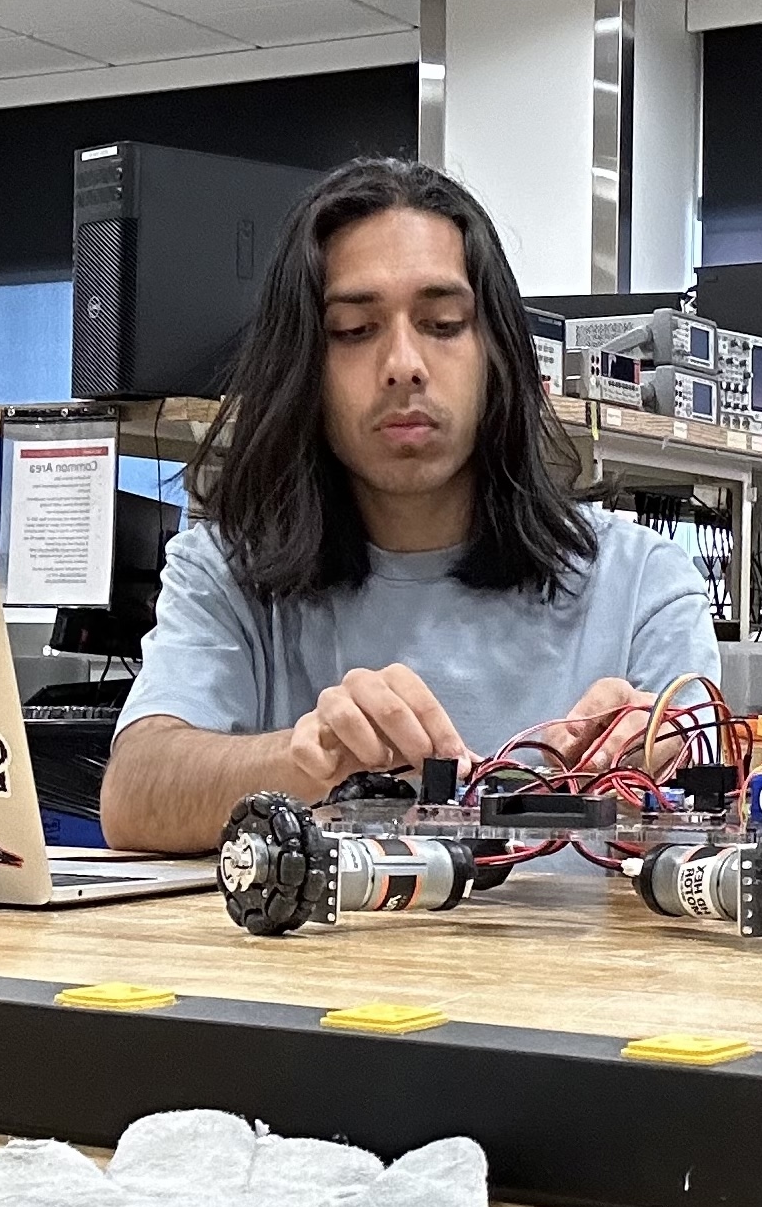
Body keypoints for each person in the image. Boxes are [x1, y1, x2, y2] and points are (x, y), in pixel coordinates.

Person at [101, 158, 721, 854]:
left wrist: (659, 776)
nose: (404, 362)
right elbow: (134, 794)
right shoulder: (228, 572)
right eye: (355, 330)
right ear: (303, 364)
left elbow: (714, 833)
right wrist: (313, 758)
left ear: (498, 356)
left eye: (443, 322)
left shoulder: (642, 585)